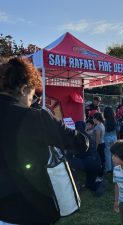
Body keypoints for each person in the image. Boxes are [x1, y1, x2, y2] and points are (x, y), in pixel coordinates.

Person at [0, 57, 88, 225]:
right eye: (32, 95)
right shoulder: (36, 117)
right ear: (24, 89)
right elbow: (81, 143)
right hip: (33, 210)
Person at [68, 121, 105, 197]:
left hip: (88, 162)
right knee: (89, 185)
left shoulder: (76, 137)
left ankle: (76, 184)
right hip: (96, 163)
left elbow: (71, 153)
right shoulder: (87, 136)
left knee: (68, 164)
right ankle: (100, 184)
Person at [103, 107, 117, 174]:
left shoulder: (105, 121)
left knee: (107, 154)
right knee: (114, 154)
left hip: (107, 138)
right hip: (114, 138)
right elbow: (118, 129)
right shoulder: (115, 120)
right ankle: (115, 168)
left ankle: (108, 169)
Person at [93, 112, 106, 179]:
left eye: (93, 118)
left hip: (99, 145)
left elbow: (97, 139)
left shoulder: (98, 127)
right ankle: (101, 173)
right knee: (102, 159)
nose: (93, 120)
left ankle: (100, 175)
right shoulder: (102, 124)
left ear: (96, 118)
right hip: (103, 143)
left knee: (99, 160)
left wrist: (96, 147)